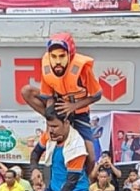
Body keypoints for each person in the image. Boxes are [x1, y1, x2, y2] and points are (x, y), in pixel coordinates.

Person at [20, 32, 102, 171]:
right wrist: (52, 119)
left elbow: (97, 95)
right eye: (54, 56)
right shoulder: (47, 68)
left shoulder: (82, 70)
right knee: (26, 91)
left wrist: (73, 106)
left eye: (62, 56)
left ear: (70, 55)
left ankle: (84, 182)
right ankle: (54, 121)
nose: (57, 61)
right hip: (59, 107)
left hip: (79, 111)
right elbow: (48, 96)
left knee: (92, 157)